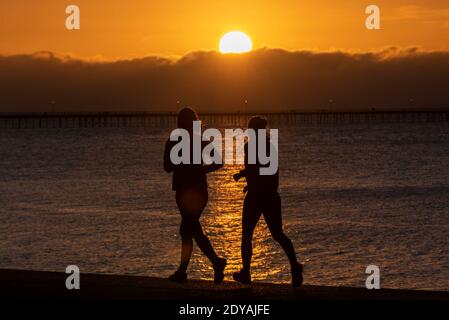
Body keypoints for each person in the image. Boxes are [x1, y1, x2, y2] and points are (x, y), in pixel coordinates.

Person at [233, 116, 303, 287]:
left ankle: (246, 272)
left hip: (258, 196)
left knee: (247, 235)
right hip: (270, 195)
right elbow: (267, 171)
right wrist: (246, 177)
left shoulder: (250, 146)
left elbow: (253, 168)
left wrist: (247, 179)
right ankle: (295, 266)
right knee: (277, 234)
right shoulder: (269, 147)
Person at [164, 107, 226, 284]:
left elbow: (167, 167)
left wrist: (190, 166)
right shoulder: (201, 141)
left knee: (189, 229)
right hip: (195, 189)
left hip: (188, 190)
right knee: (189, 229)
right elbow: (218, 162)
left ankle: (212, 263)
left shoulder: (174, 141)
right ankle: (209, 264)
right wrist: (200, 169)